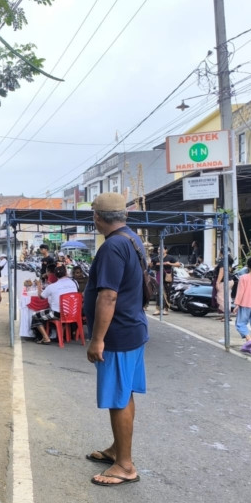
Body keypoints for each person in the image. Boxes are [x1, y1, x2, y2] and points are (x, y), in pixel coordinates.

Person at [84, 193, 148, 487]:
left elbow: (108, 295)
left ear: (97, 217)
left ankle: (124, 465)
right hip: (133, 328)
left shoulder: (112, 246)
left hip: (118, 335)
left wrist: (97, 339)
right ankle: (117, 450)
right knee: (124, 395)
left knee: (119, 398)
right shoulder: (132, 239)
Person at [31, 265, 78, 344]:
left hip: (57, 314)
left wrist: (39, 286)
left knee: (35, 316)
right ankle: (60, 335)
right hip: (72, 312)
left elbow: (41, 297)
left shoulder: (52, 286)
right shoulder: (73, 283)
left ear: (55, 275)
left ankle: (46, 337)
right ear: (66, 273)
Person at [150, 247, 180, 315]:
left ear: (166, 250)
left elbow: (178, 264)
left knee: (167, 291)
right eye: (158, 249)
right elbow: (151, 266)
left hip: (168, 275)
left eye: (161, 249)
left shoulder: (170, 257)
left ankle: (166, 309)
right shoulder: (155, 258)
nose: (159, 250)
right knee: (158, 291)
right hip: (158, 275)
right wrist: (152, 264)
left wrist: (169, 264)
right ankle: (158, 309)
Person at [233, 256, 251, 344]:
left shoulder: (244, 277)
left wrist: (237, 304)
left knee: (240, 324)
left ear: (248, 266)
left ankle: (249, 340)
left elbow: (240, 293)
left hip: (245, 304)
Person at [212, 254, 235, 321]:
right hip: (230, 281)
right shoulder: (228, 261)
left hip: (224, 282)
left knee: (221, 298)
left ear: (221, 253)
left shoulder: (223, 260)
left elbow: (221, 272)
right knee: (227, 298)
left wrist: (217, 282)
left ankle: (227, 316)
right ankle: (226, 315)